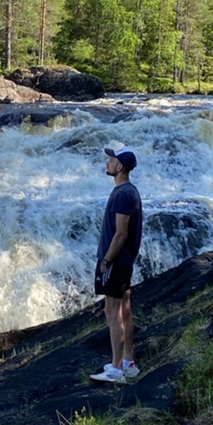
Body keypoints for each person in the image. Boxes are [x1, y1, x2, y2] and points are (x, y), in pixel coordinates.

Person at [89, 147, 143, 384]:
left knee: (113, 313)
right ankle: (128, 362)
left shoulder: (122, 194)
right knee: (125, 310)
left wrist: (106, 261)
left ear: (120, 167)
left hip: (115, 262)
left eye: (111, 160)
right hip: (124, 261)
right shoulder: (129, 191)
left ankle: (116, 368)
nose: (108, 163)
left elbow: (120, 234)